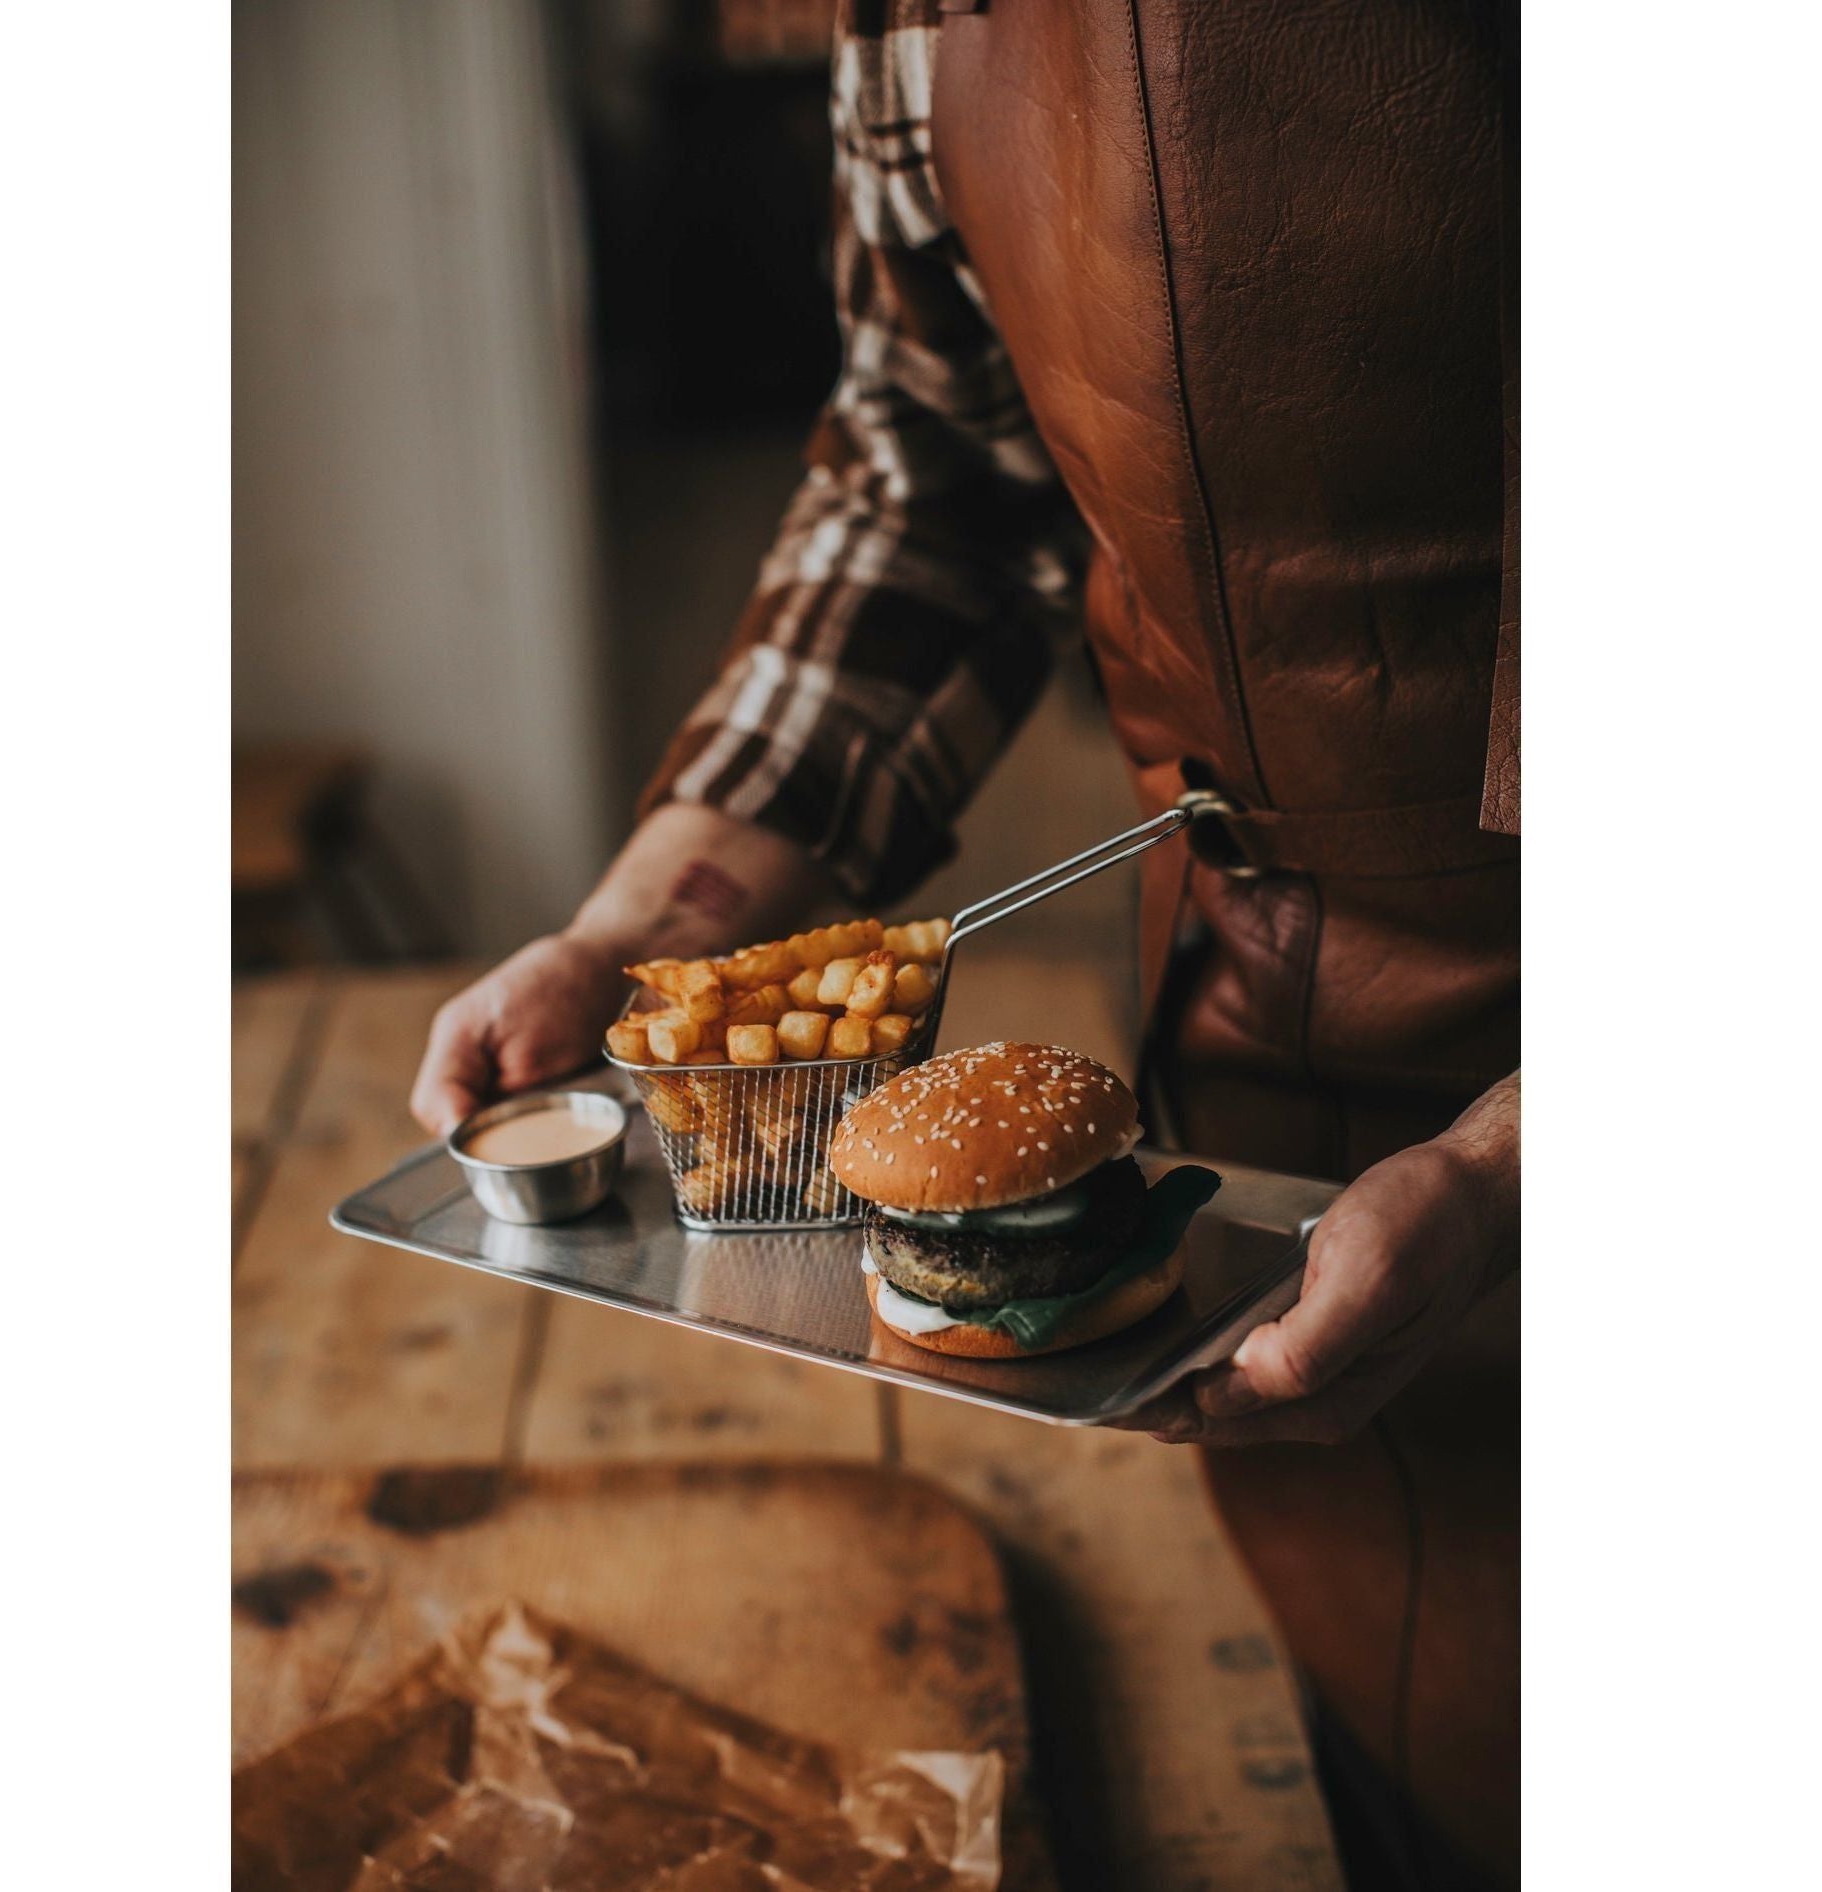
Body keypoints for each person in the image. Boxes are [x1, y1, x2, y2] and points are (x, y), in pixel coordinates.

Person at [412, 2, 1519, 1884]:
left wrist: (1513, 1164)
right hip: (1251, 1046)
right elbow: (939, 460)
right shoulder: (913, 12)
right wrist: (644, 932)